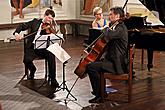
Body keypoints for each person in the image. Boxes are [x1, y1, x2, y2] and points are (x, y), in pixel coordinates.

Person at [86, 7, 128, 103]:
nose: (109, 16)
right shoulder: (115, 26)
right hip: (111, 60)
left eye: (111, 14)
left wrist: (105, 28)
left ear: (117, 16)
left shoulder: (121, 28)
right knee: (93, 65)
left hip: (117, 64)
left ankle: (99, 95)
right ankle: (101, 93)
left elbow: (109, 35)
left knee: (91, 67)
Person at [13, 7, 59, 88]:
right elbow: (22, 26)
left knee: (51, 55)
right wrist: (16, 33)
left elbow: (54, 36)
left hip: (42, 48)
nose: (49, 20)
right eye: (48, 17)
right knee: (26, 60)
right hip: (32, 47)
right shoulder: (35, 22)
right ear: (44, 15)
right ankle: (33, 69)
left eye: (51, 19)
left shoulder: (49, 27)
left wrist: (52, 29)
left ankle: (53, 79)